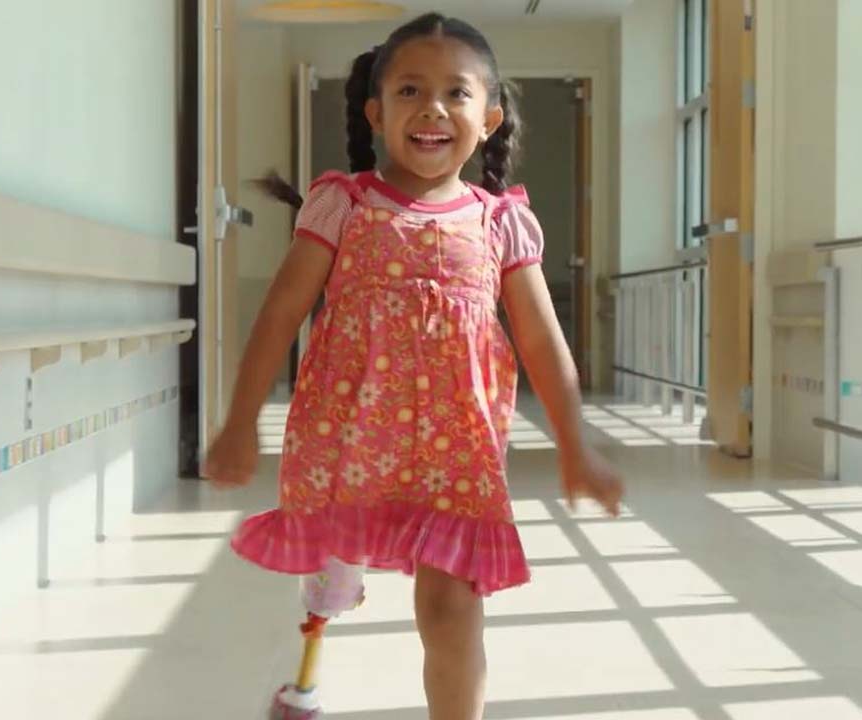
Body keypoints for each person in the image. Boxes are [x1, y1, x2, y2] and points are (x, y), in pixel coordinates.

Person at [203, 12, 623, 720]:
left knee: (452, 610)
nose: (432, 108)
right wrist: (239, 423)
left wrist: (575, 446)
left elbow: (543, 342)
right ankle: (317, 633)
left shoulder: (500, 222)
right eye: (409, 91)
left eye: (456, 94)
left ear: (488, 118)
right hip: (352, 443)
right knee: (335, 573)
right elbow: (278, 316)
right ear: (376, 109)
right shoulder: (344, 204)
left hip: (456, 456)